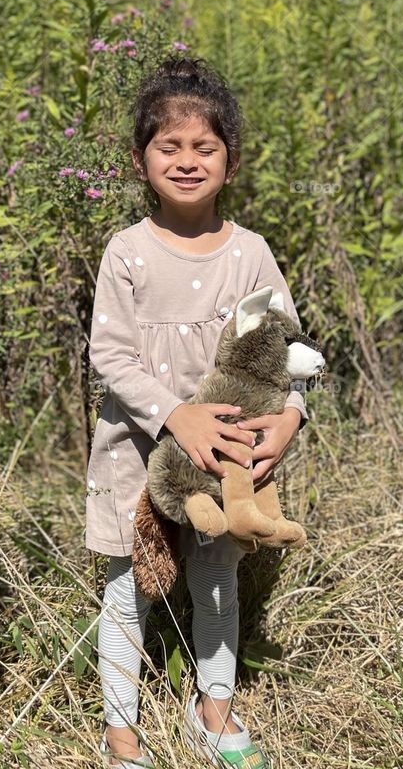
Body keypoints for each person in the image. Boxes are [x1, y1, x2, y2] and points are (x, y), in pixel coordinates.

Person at [86, 56, 309, 769]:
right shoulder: (127, 253)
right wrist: (175, 415)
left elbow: (288, 351)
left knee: (217, 578)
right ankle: (121, 733)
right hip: (135, 449)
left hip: (227, 463)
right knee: (129, 588)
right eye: (169, 147)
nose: (187, 161)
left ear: (231, 161)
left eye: (204, 147)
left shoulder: (250, 255)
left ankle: (213, 707)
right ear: (139, 158)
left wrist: (291, 416)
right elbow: (111, 357)